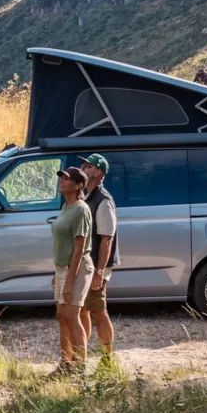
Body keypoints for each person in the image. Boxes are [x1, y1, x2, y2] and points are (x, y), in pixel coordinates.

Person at [50, 166, 95, 376]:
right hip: (62, 269)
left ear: (78, 186)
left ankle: (80, 367)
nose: (62, 181)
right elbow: (63, 244)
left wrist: (69, 280)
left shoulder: (81, 209)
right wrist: (57, 274)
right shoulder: (66, 207)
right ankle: (65, 363)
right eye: (62, 178)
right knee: (61, 315)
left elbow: (79, 249)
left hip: (77, 268)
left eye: (67, 179)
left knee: (72, 314)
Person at [79, 154, 120, 365]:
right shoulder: (89, 197)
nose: (82, 168)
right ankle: (82, 356)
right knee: (83, 310)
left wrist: (100, 272)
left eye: (87, 166)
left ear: (98, 172)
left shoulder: (103, 201)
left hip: (97, 267)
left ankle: (107, 359)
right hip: (89, 265)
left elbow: (107, 240)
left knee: (98, 310)